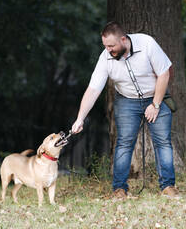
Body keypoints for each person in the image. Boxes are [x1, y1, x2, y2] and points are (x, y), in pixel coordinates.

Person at [71, 21, 177, 198]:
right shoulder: (105, 57)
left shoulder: (147, 43)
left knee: (163, 142)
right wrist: (80, 118)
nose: (108, 50)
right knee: (124, 143)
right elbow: (93, 89)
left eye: (111, 46)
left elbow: (164, 73)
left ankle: (168, 186)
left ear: (123, 39)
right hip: (127, 101)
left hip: (155, 95)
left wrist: (156, 104)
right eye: (105, 46)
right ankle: (119, 189)